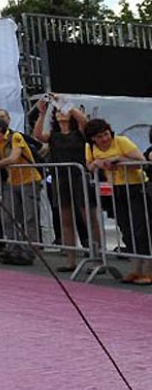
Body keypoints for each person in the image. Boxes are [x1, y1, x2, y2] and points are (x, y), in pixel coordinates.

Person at [33, 95, 98, 272]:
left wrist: (64, 104)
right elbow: (38, 135)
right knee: (66, 220)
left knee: (89, 219)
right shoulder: (53, 136)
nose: (61, 113)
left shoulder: (80, 133)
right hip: (60, 178)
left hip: (79, 177)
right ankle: (71, 260)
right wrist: (42, 112)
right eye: (58, 112)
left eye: (64, 112)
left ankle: (98, 259)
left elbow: (83, 120)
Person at [84, 118, 152, 285]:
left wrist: (118, 159)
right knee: (125, 229)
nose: (105, 139)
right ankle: (135, 268)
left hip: (136, 186)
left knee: (141, 229)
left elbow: (140, 162)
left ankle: (148, 270)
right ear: (93, 138)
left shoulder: (122, 141)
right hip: (116, 188)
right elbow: (89, 166)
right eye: (100, 136)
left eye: (106, 134)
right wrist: (97, 163)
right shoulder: (89, 147)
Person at [0, 116, 43, 266]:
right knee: (9, 216)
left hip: (29, 180)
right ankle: (13, 249)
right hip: (12, 182)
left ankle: (28, 253)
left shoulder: (15, 137)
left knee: (29, 217)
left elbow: (13, 158)